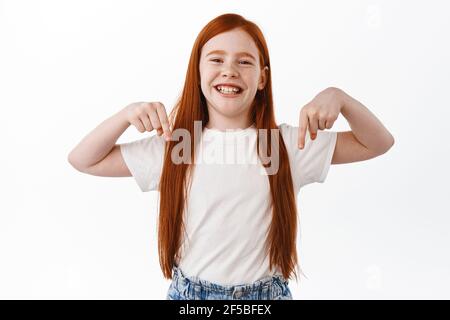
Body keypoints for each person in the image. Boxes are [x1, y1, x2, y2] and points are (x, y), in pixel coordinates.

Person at [68, 13, 394, 300]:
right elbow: (84, 159)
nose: (229, 71)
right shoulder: (177, 146)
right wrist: (126, 115)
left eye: (244, 61)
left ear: (262, 78)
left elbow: (377, 143)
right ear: (197, 72)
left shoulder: (284, 144)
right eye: (216, 59)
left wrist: (340, 97)